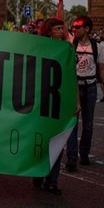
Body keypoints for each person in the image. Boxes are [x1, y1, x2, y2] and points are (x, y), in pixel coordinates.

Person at [67, 15, 104, 171]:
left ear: (87, 29)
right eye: (73, 27)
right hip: (74, 87)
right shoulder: (71, 44)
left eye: (77, 27)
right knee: (72, 124)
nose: (74, 29)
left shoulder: (96, 46)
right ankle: (72, 156)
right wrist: (60, 1)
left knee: (88, 125)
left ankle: (84, 153)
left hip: (91, 87)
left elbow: (101, 68)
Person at [32, 18, 69, 195]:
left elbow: (71, 76)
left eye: (62, 28)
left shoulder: (67, 49)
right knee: (41, 138)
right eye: (58, 28)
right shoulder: (40, 47)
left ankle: (52, 181)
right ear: (49, 32)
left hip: (60, 99)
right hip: (42, 99)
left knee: (58, 140)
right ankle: (39, 171)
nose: (62, 31)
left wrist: (75, 101)